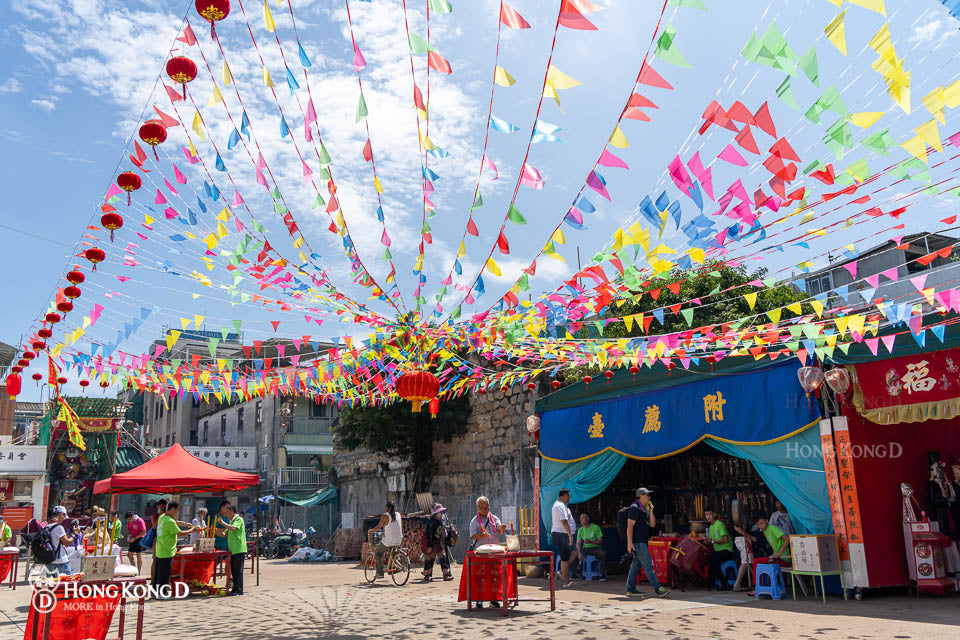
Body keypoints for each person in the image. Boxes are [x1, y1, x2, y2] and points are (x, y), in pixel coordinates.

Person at [625, 488, 669, 597]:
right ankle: (658, 589)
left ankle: (630, 589)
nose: (649, 497)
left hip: (643, 541)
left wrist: (651, 511)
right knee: (649, 565)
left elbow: (653, 524)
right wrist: (629, 543)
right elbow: (629, 527)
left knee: (635, 566)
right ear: (641, 496)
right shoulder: (634, 508)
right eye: (647, 495)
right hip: (638, 542)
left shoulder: (644, 509)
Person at [468, 496, 506, 608]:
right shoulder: (474, 521)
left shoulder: (494, 518)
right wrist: (482, 535)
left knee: (494, 576)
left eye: (486, 507)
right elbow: (473, 535)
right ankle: (479, 599)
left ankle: (493, 598)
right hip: (481, 552)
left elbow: (499, 529)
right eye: (482, 508)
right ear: (478, 508)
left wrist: (501, 528)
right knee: (481, 576)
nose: (484, 510)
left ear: (489, 507)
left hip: (494, 551)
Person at [152, 501, 196, 593]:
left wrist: (184, 524)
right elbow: (180, 533)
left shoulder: (162, 517)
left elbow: (175, 522)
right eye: (177, 510)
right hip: (167, 551)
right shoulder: (169, 521)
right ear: (172, 509)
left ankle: (156, 592)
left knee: (159, 574)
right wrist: (191, 530)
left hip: (160, 550)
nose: (177, 512)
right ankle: (161, 593)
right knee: (164, 575)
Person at [748, 516, 792, 597]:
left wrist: (779, 553)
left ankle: (757, 588)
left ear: (767, 521)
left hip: (784, 558)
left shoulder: (772, 528)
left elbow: (787, 539)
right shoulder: (765, 531)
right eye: (758, 524)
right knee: (760, 564)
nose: (760, 526)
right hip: (776, 558)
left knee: (756, 561)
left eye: (761, 523)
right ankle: (762, 588)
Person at [216, 503, 246, 596]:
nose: (226, 515)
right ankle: (235, 588)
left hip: (239, 549)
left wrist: (222, 523)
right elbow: (225, 534)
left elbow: (233, 528)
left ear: (232, 512)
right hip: (233, 550)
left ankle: (239, 589)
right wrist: (215, 531)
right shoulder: (231, 522)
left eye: (227, 513)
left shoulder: (239, 519)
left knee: (238, 571)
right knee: (234, 570)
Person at [368, 500, 403, 581]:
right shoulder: (398, 514)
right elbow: (400, 527)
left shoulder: (385, 515)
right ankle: (394, 567)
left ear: (387, 507)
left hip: (389, 540)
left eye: (385, 507)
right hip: (399, 539)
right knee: (393, 552)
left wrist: (371, 531)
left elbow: (378, 527)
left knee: (378, 553)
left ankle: (380, 573)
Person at [704, 508, 736, 590]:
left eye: (710, 514)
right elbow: (711, 541)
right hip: (718, 551)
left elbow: (725, 540)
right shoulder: (711, 527)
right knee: (708, 562)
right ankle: (712, 583)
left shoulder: (719, 524)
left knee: (714, 563)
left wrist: (712, 541)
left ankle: (725, 584)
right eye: (706, 515)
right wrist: (707, 541)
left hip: (727, 550)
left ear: (714, 514)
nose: (708, 517)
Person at [551, 489, 576, 588]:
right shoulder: (560, 506)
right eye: (569, 497)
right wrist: (570, 535)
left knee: (574, 553)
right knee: (564, 559)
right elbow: (564, 521)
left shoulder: (559, 505)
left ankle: (561, 572)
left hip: (561, 534)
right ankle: (566, 582)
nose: (569, 499)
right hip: (562, 534)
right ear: (564, 496)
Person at [421, 503, 452, 582]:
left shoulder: (439, 521)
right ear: (435, 514)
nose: (441, 514)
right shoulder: (431, 523)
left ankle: (446, 575)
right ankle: (427, 575)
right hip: (431, 544)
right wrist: (429, 546)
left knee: (443, 559)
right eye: (440, 512)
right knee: (429, 560)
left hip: (438, 544)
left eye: (441, 512)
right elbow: (428, 535)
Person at [575, 513, 607, 581]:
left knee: (603, 554)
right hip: (586, 548)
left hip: (596, 548)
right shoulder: (580, 530)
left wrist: (591, 542)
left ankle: (602, 574)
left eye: (582, 518)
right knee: (578, 553)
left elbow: (600, 541)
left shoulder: (596, 527)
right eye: (580, 518)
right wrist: (579, 553)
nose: (581, 520)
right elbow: (578, 543)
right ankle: (579, 571)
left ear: (588, 519)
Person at [44, 506, 74, 576]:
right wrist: (74, 535)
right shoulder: (59, 527)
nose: (64, 519)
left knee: (51, 585)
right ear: (61, 515)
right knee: (64, 585)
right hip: (60, 562)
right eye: (64, 516)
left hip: (49, 562)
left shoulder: (47, 526)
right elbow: (66, 543)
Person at [148, 498, 167, 581]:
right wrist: (160, 516)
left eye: (164, 507)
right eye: (161, 507)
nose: (163, 509)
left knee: (165, 561)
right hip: (157, 539)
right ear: (158, 507)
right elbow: (154, 526)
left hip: (166, 540)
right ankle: (153, 580)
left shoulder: (168, 516)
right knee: (155, 560)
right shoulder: (154, 516)